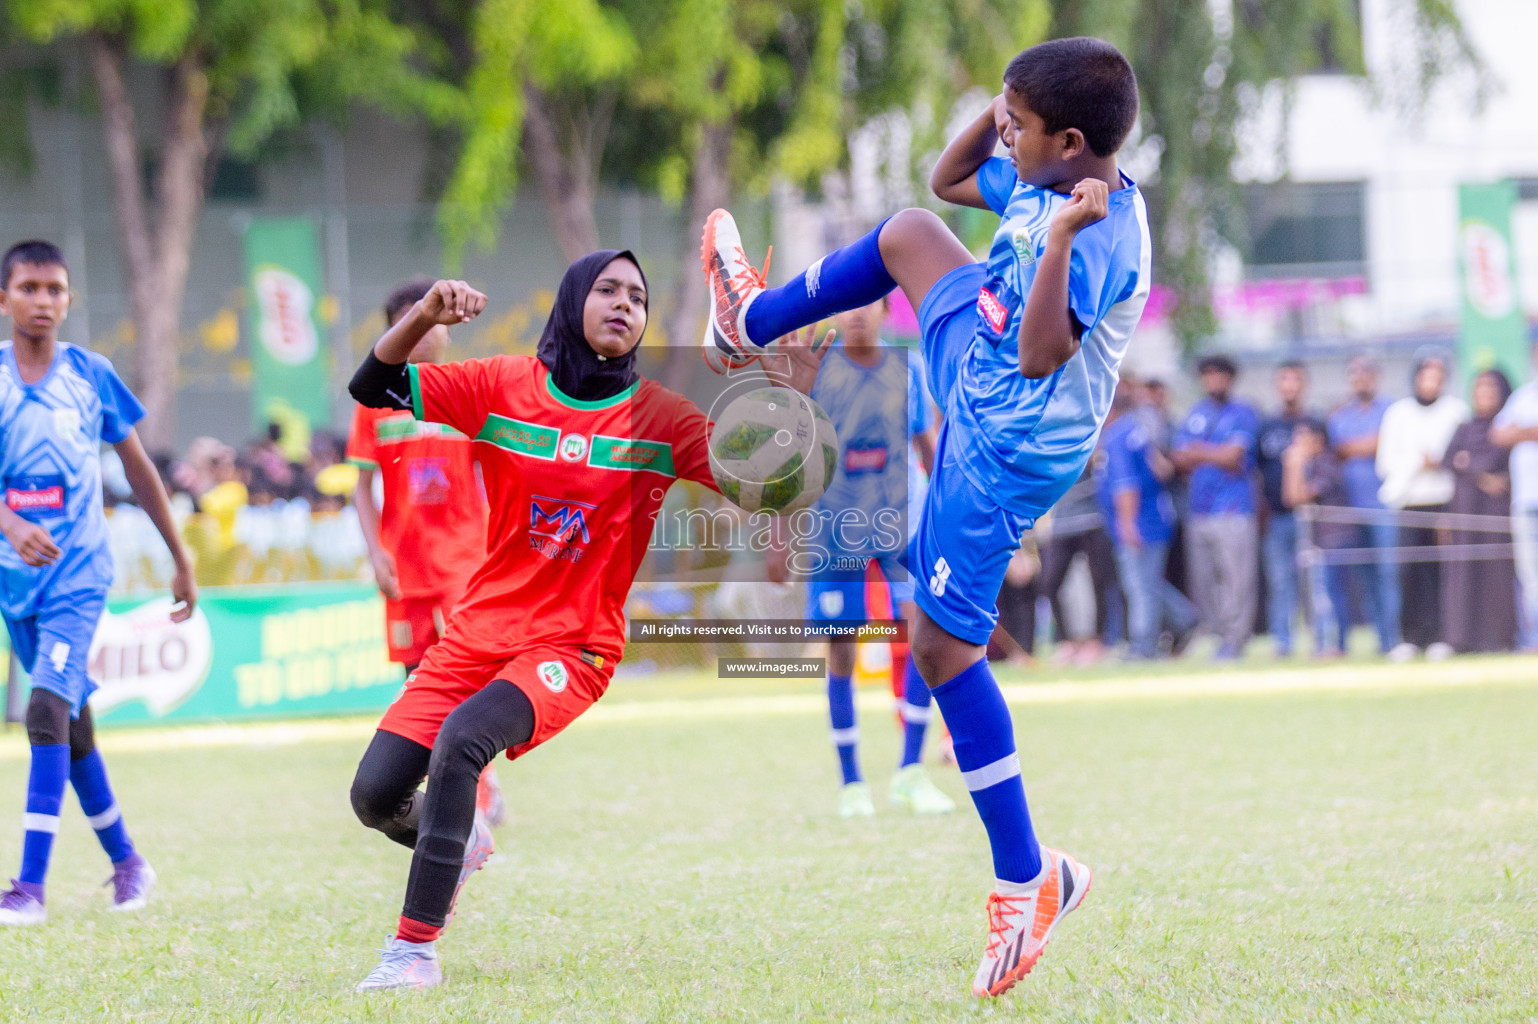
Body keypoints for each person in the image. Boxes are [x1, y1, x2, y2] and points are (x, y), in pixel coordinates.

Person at [699, 37, 1144, 996]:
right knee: (906, 227)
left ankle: (1030, 880)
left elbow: (1038, 358)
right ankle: (750, 321)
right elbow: (949, 182)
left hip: (1009, 437)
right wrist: (999, 107)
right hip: (976, 357)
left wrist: (1062, 239)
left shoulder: (1104, 233)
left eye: (1017, 128)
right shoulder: (1036, 169)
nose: (1003, 137)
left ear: (1069, 143)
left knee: (940, 652)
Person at [345, 252, 828, 991]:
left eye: (637, 296)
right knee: (374, 797)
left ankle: (412, 950)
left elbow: (773, 491)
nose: (624, 304)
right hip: (474, 635)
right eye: (607, 289)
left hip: (573, 647)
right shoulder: (500, 386)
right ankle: (457, 839)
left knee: (463, 743)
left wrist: (793, 402)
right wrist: (423, 319)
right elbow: (371, 386)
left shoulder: (661, 418)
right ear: (572, 300)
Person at [0, 240, 196, 924]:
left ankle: (26, 887)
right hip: (14, 584)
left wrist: (180, 554)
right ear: (4, 299)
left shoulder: (90, 373)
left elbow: (138, 470)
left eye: (55, 289)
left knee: (44, 710)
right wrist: (10, 525)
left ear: (70, 300)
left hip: (80, 573)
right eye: (28, 287)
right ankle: (127, 863)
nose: (43, 300)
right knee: (73, 727)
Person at [346, 278, 503, 826]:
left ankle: (480, 789)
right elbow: (361, 489)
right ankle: (434, 788)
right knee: (418, 680)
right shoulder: (374, 407)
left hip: (466, 562)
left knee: (469, 678)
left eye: (436, 324)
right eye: (413, 325)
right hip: (406, 567)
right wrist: (376, 552)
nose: (426, 336)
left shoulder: (469, 392)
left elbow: (498, 477)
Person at [791, 295, 952, 818]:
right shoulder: (816, 372)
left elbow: (928, 447)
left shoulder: (909, 369)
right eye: (847, 305)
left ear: (886, 310)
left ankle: (910, 771)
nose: (856, 313)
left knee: (923, 634)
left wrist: (947, 513)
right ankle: (851, 783)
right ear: (835, 313)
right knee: (843, 650)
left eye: (868, 304)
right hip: (837, 528)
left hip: (904, 523)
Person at [1376, 352, 1468, 659]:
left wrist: (1440, 463)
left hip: (1444, 503)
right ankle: (1410, 637)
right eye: (1426, 376)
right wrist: (1419, 462)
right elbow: (1385, 463)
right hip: (1409, 502)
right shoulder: (1398, 413)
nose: (1431, 384)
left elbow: (1462, 459)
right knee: (1408, 572)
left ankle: (1442, 635)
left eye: (1437, 378)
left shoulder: (1456, 411)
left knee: (1442, 572)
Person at [1096, 383, 1195, 660]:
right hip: (1154, 517)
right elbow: (1162, 470)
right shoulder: (1137, 430)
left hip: (1140, 521)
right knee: (1146, 581)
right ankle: (1186, 618)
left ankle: (1143, 645)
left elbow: (1126, 485)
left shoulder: (1117, 436)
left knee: (1139, 586)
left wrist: (1128, 523)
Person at [1171, 355, 1260, 660]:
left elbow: (1234, 458)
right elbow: (1178, 459)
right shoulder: (1195, 413)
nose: (1213, 382)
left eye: (1219, 375)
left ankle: (1236, 638)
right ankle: (1217, 634)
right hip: (1200, 509)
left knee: (1236, 578)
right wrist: (1212, 454)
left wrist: (1199, 452)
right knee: (1204, 580)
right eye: (1208, 376)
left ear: (1230, 378)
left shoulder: (1243, 412)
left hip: (1233, 508)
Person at [1327, 356, 1400, 655]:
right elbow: (1335, 450)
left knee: (1389, 574)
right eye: (1354, 374)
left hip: (1385, 505)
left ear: (1376, 376)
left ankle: (1395, 639)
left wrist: (1353, 447)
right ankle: (1381, 640)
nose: (1361, 379)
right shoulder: (1339, 417)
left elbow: (1386, 443)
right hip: (1350, 508)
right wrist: (1368, 444)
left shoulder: (1392, 411)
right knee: (1365, 579)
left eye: (1366, 373)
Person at [1441, 369, 1516, 653]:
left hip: (1497, 513)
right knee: (1463, 573)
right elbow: (1451, 460)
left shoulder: (1506, 427)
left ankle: (1499, 639)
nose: (1483, 392)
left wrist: (1469, 464)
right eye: (1479, 386)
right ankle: (1462, 639)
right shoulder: (1464, 428)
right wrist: (1480, 473)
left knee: (1497, 572)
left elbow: (1500, 466)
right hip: (1465, 510)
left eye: (1490, 386)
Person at [1281, 419, 1352, 655]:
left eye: (1302, 438)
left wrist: (1294, 467)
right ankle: (1324, 644)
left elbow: (1298, 496)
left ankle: (1336, 645)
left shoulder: (1327, 464)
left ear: (1318, 439)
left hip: (1335, 537)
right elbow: (1289, 499)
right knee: (1318, 592)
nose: (1297, 445)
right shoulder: (1309, 464)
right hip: (1317, 539)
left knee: (1331, 592)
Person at [1035, 467, 1118, 664]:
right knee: (1049, 582)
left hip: (1094, 519)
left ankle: (1097, 642)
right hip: (1062, 523)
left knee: (1100, 581)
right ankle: (1067, 643)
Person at [1256, 362, 1311, 656]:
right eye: (1284, 380)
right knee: (1279, 583)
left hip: (1309, 518)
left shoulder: (1314, 423)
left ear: (1304, 385)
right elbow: (1255, 471)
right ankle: (1283, 642)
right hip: (1276, 518)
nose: (1289, 386)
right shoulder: (1267, 426)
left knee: (1314, 583)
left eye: (1295, 380)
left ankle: (1321, 641)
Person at [1491, 361, 1538, 650]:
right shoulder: (1523, 396)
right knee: (1529, 574)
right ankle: (1533, 638)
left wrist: (1522, 430)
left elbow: (1513, 432)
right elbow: (1499, 435)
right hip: (1526, 500)